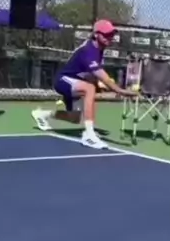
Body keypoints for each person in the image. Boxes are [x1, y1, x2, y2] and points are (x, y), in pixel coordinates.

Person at [31, 20, 134, 149]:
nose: (110, 37)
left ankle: (42, 115)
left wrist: (102, 86)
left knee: (74, 118)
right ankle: (89, 135)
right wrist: (121, 91)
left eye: (111, 34)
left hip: (77, 82)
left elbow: (92, 76)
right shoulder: (89, 51)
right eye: (106, 34)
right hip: (63, 80)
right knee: (89, 89)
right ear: (96, 34)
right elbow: (104, 78)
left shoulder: (99, 49)